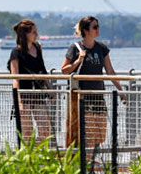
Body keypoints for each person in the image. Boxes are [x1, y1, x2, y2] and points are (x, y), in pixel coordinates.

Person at [61, 16, 124, 148]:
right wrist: (77, 61)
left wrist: (120, 90)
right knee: (88, 133)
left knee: (100, 135)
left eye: (98, 26)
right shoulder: (75, 48)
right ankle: (88, 165)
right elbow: (64, 70)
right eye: (94, 27)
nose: (98, 29)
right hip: (82, 96)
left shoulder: (101, 48)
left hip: (98, 95)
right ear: (86, 30)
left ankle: (90, 161)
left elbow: (110, 71)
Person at [8, 19, 53, 145]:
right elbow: (15, 78)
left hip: (38, 94)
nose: (36, 35)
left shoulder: (37, 48)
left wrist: (51, 90)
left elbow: (43, 71)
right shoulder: (16, 52)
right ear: (25, 34)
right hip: (24, 95)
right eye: (34, 32)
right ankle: (28, 155)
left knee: (45, 130)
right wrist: (19, 101)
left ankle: (33, 150)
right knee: (26, 132)